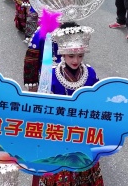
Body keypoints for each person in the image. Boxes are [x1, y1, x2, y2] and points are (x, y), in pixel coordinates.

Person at [37, 23, 103, 186]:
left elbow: (98, 101)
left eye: (80, 56)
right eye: (71, 56)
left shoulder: (90, 73)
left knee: (84, 171)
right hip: (59, 133)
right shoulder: (50, 75)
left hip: (83, 132)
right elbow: (43, 108)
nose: (76, 60)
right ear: (63, 54)